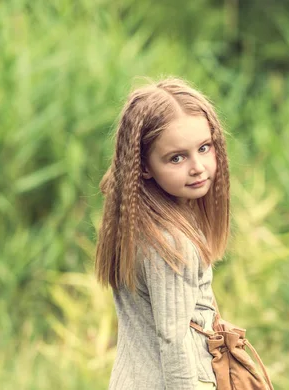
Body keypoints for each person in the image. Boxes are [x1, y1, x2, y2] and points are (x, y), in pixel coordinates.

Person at [95, 77, 230, 390]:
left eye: (204, 148)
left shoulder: (135, 225)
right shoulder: (171, 244)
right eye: (177, 157)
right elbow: (174, 343)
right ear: (143, 167)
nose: (197, 166)